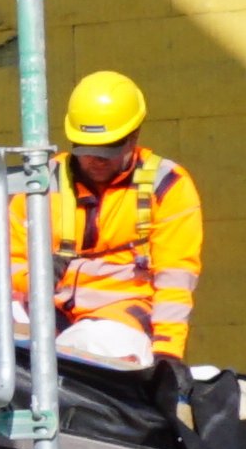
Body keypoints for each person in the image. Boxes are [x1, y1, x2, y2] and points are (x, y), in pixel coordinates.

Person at [53, 68, 205, 365]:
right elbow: (14, 269)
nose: (95, 159)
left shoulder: (167, 185)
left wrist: (167, 353)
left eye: (107, 149)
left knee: (92, 343)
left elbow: (175, 279)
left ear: (134, 136)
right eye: (86, 148)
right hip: (50, 316)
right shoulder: (44, 184)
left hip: (121, 319)